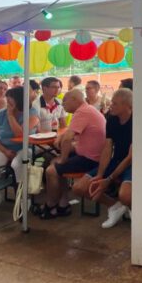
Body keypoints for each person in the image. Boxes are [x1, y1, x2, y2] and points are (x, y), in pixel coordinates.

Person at [41, 88, 106, 219]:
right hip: (93, 154)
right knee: (53, 161)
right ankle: (63, 203)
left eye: (65, 101)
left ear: (74, 100)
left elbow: (67, 139)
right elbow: (68, 133)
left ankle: (51, 205)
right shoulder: (87, 109)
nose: (63, 104)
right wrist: (62, 139)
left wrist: (63, 159)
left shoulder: (82, 112)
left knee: (51, 170)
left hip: (91, 159)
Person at [76, 88, 133, 228]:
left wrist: (108, 180)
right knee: (79, 188)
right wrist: (100, 175)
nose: (110, 105)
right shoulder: (112, 119)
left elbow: (131, 157)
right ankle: (115, 207)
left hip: (133, 163)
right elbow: (108, 147)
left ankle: (135, 209)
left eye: (115, 103)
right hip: (116, 161)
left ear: (127, 106)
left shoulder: (137, 122)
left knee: (125, 195)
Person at [0, 85, 39, 201]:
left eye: (10, 98)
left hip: (25, 147)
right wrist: (5, 151)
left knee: (18, 164)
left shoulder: (32, 113)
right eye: (7, 98)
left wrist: (10, 116)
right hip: (3, 146)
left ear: (19, 99)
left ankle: (23, 196)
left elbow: (20, 134)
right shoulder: (1, 113)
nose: (7, 101)